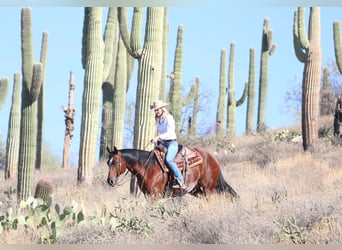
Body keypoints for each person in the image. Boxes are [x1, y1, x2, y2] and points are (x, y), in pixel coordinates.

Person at [150, 100, 187, 190]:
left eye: (157, 110)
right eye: (155, 110)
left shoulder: (169, 118)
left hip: (172, 143)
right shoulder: (158, 119)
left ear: (162, 109)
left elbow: (170, 133)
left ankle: (181, 181)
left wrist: (158, 137)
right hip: (162, 143)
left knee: (168, 160)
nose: (156, 112)